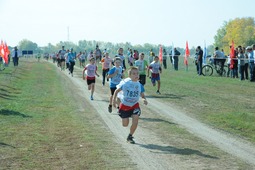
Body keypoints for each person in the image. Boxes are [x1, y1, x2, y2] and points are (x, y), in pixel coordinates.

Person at [112, 66, 148, 144]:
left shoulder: (139, 85)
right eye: (134, 74)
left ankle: (130, 136)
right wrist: (114, 101)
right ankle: (124, 117)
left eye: (137, 73)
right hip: (125, 106)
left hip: (135, 105)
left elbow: (142, 94)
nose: (136, 75)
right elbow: (116, 91)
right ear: (130, 75)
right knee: (125, 124)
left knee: (135, 121)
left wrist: (144, 99)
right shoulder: (126, 83)